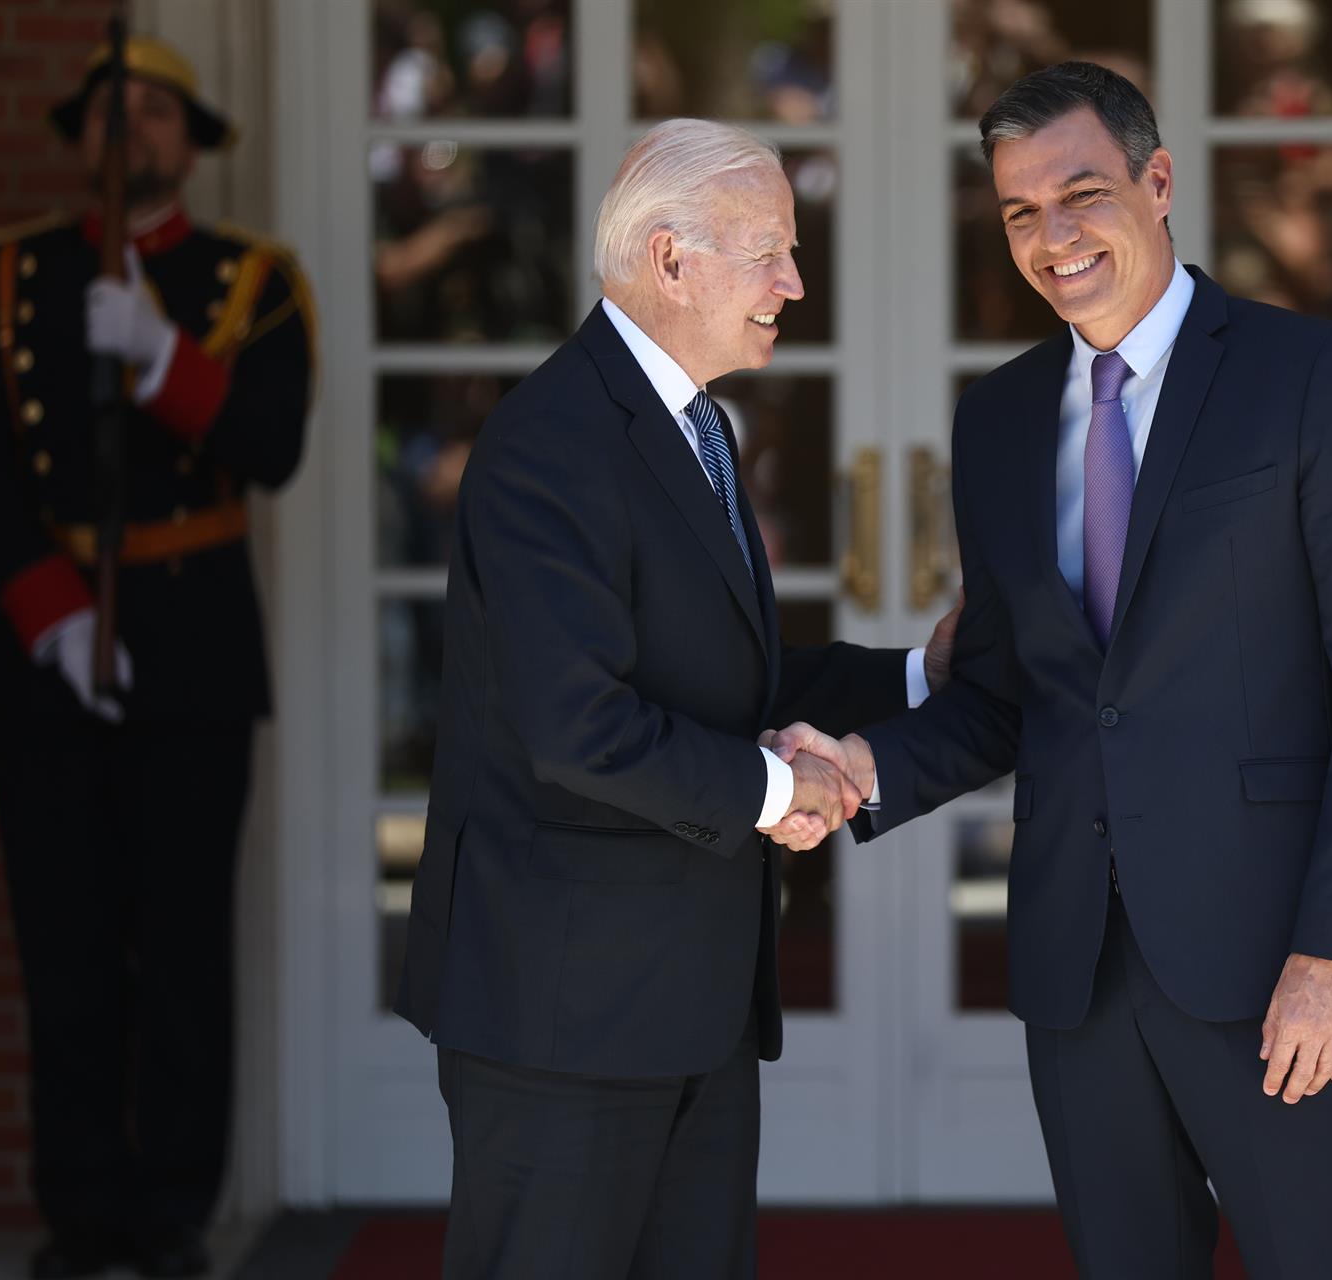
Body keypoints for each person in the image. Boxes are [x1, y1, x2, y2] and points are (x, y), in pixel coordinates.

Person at [771, 62, 1332, 1278]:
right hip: (1078, 966)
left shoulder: (1307, 377)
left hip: (1271, 959)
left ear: (1161, 181)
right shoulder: (998, 421)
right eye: (1022, 211)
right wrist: (864, 767)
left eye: (1080, 194)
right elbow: (1008, 694)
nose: (1053, 237)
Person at [392, 119, 957, 1279]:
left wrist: (917, 677)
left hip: (683, 1005)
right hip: (566, 1019)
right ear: (670, 260)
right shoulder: (552, 440)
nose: (795, 284)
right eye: (770, 253)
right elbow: (578, 726)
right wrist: (775, 787)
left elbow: (723, 675)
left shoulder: (692, 420)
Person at [0, 37, 315, 1280]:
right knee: (65, 941)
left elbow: (270, 443)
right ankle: (81, 1206)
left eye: (155, 111)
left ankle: (171, 1210)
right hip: (46, 643)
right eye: (111, 110)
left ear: (192, 141)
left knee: (183, 943)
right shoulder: (7, 278)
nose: (130, 131)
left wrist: (160, 361)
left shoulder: (250, 279)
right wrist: (52, 611)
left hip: (192, 634)